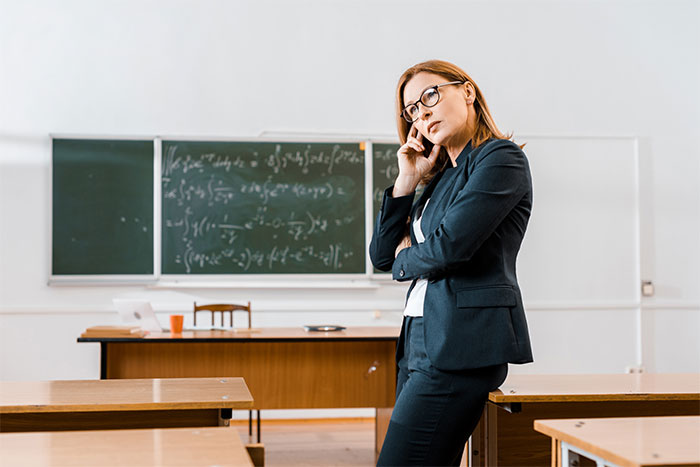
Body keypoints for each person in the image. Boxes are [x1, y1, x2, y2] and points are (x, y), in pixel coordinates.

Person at [369, 59, 534, 466]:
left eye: (430, 96)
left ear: (467, 91)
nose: (422, 113)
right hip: (418, 340)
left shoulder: (500, 159)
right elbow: (380, 255)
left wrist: (406, 259)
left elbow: (448, 249)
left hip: (461, 344)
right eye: (411, 110)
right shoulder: (440, 178)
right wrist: (407, 179)